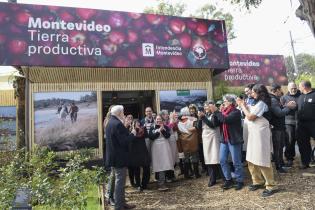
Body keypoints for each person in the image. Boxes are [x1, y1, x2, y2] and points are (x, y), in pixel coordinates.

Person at [237, 84, 277, 197]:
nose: (251, 94)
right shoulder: (255, 102)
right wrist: (244, 105)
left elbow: (250, 117)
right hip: (252, 133)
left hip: (260, 133)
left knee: (262, 158)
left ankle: (270, 185)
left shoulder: (262, 103)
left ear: (260, 93)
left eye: (254, 92)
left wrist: (242, 106)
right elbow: (250, 112)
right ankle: (257, 181)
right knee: (251, 158)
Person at [105, 105, 136, 210]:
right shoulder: (118, 124)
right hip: (119, 158)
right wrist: (133, 134)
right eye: (123, 112)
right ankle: (119, 206)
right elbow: (123, 141)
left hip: (114, 157)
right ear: (119, 113)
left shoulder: (110, 122)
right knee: (120, 183)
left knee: (119, 182)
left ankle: (122, 203)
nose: (124, 114)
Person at [212, 95, 244, 190]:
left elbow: (225, 120)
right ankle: (228, 179)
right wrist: (215, 113)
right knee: (222, 160)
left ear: (230, 102)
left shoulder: (236, 112)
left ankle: (239, 180)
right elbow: (216, 123)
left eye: (225, 101)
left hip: (234, 140)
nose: (223, 103)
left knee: (236, 162)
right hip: (224, 140)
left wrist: (217, 112)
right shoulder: (222, 112)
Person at [269, 84, 296, 173]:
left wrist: (286, 106)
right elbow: (279, 113)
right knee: (277, 148)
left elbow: (280, 110)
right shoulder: (273, 100)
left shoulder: (276, 99)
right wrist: (288, 107)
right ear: (276, 90)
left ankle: (281, 163)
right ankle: (278, 167)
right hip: (276, 128)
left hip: (279, 127)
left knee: (280, 147)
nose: (281, 92)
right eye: (280, 90)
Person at [197, 100, 221, 187]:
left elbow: (213, 125)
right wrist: (200, 119)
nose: (206, 108)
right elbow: (199, 127)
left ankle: (219, 176)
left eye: (207, 106)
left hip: (214, 138)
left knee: (215, 157)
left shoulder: (215, 115)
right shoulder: (204, 115)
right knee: (208, 159)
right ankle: (212, 178)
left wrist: (203, 118)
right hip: (206, 138)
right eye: (205, 106)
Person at [149, 115, 173, 191]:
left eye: (160, 119)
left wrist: (162, 130)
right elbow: (151, 137)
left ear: (162, 120)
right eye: (157, 119)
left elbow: (167, 136)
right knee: (159, 164)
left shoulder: (166, 127)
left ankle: (164, 181)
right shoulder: (152, 127)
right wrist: (158, 131)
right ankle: (160, 183)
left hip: (164, 147)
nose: (158, 120)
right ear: (155, 120)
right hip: (156, 148)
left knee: (165, 163)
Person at [280, 82, 301, 167]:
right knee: (289, 140)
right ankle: (289, 158)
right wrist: (287, 106)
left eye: (295, 88)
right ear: (288, 88)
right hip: (288, 122)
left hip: (300, 121)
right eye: (292, 88)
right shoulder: (283, 97)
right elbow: (280, 108)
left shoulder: (301, 95)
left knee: (302, 140)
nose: (293, 89)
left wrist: (297, 105)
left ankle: (305, 158)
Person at [177, 107, 201, 179]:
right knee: (195, 157)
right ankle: (196, 174)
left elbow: (178, 132)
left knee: (186, 159)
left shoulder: (179, 123)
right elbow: (197, 128)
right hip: (193, 141)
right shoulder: (193, 120)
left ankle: (186, 175)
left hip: (184, 142)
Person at [128, 119, 151, 191]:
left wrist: (142, 130)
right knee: (136, 169)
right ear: (133, 124)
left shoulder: (143, 129)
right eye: (136, 123)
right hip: (134, 152)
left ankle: (145, 184)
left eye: (138, 123)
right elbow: (130, 140)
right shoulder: (131, 131)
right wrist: (134, 132)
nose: (137, 124)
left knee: (146, 168)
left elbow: (147, 136)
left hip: (143, 151)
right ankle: (138, 185)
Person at [297, 80, 315, 169]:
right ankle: (305, 162)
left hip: (313, 123)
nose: (298, 88)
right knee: (303, 144)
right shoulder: (300, 97)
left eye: (299, 86)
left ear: (304, 87)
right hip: (301, 124)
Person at [103, 105, 115, 206]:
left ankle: (112, 195)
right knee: (113, 174)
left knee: (114, 174)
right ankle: (109, 196)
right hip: (112, 150)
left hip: (114, 150)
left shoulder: (111, 120)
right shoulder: (108, 121)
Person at [190, 104, 207, 174]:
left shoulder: (198, 116)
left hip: (200, 137)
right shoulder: (188, 117)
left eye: (192, 109)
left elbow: (199, 126)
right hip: (193, 138)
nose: (191, 110)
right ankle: (197, 169)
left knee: (202, 153)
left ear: (195, 109)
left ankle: (205, 167)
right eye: (190, 109)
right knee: (197, 154)